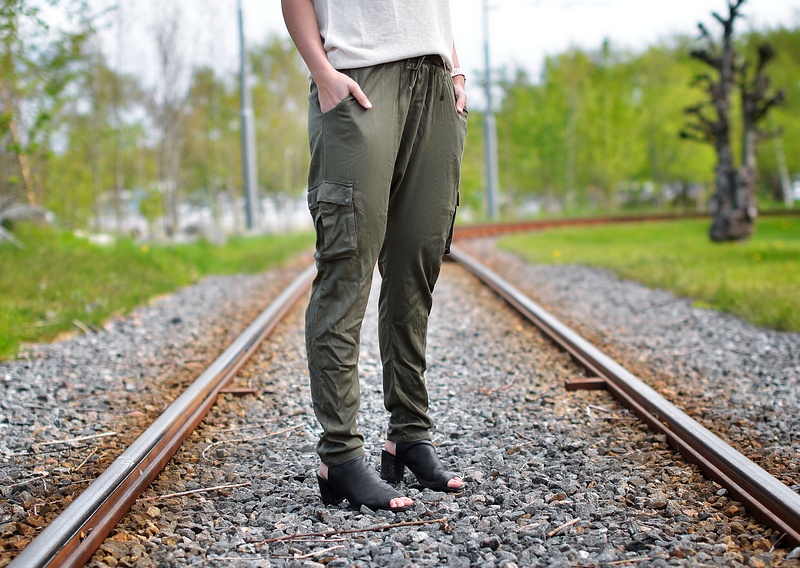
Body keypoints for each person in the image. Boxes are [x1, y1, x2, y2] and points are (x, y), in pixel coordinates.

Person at [281, 0, 468, 512]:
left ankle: (409, 435)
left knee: (415, 271)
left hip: (436, 85)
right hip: (360, 78)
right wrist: (323, 72)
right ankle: (340, 455)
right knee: (347, 270)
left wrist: (455, 70)